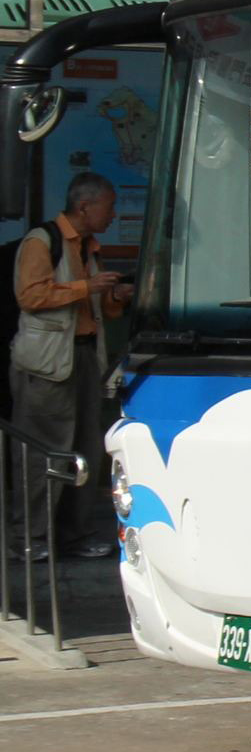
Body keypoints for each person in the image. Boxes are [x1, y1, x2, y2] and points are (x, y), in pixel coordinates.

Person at [11, 173, 129, 560]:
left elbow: (101, 311)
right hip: (47, 362)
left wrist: (113, 295)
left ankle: (73, 535)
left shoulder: (90, 248)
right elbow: (30, 296)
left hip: (82, 357)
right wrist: (86, 288)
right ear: (84, 207)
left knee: (86, 449)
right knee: (44, 450)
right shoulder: (41, 241)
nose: (112, 215)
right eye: (108, 207)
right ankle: (32, 536)